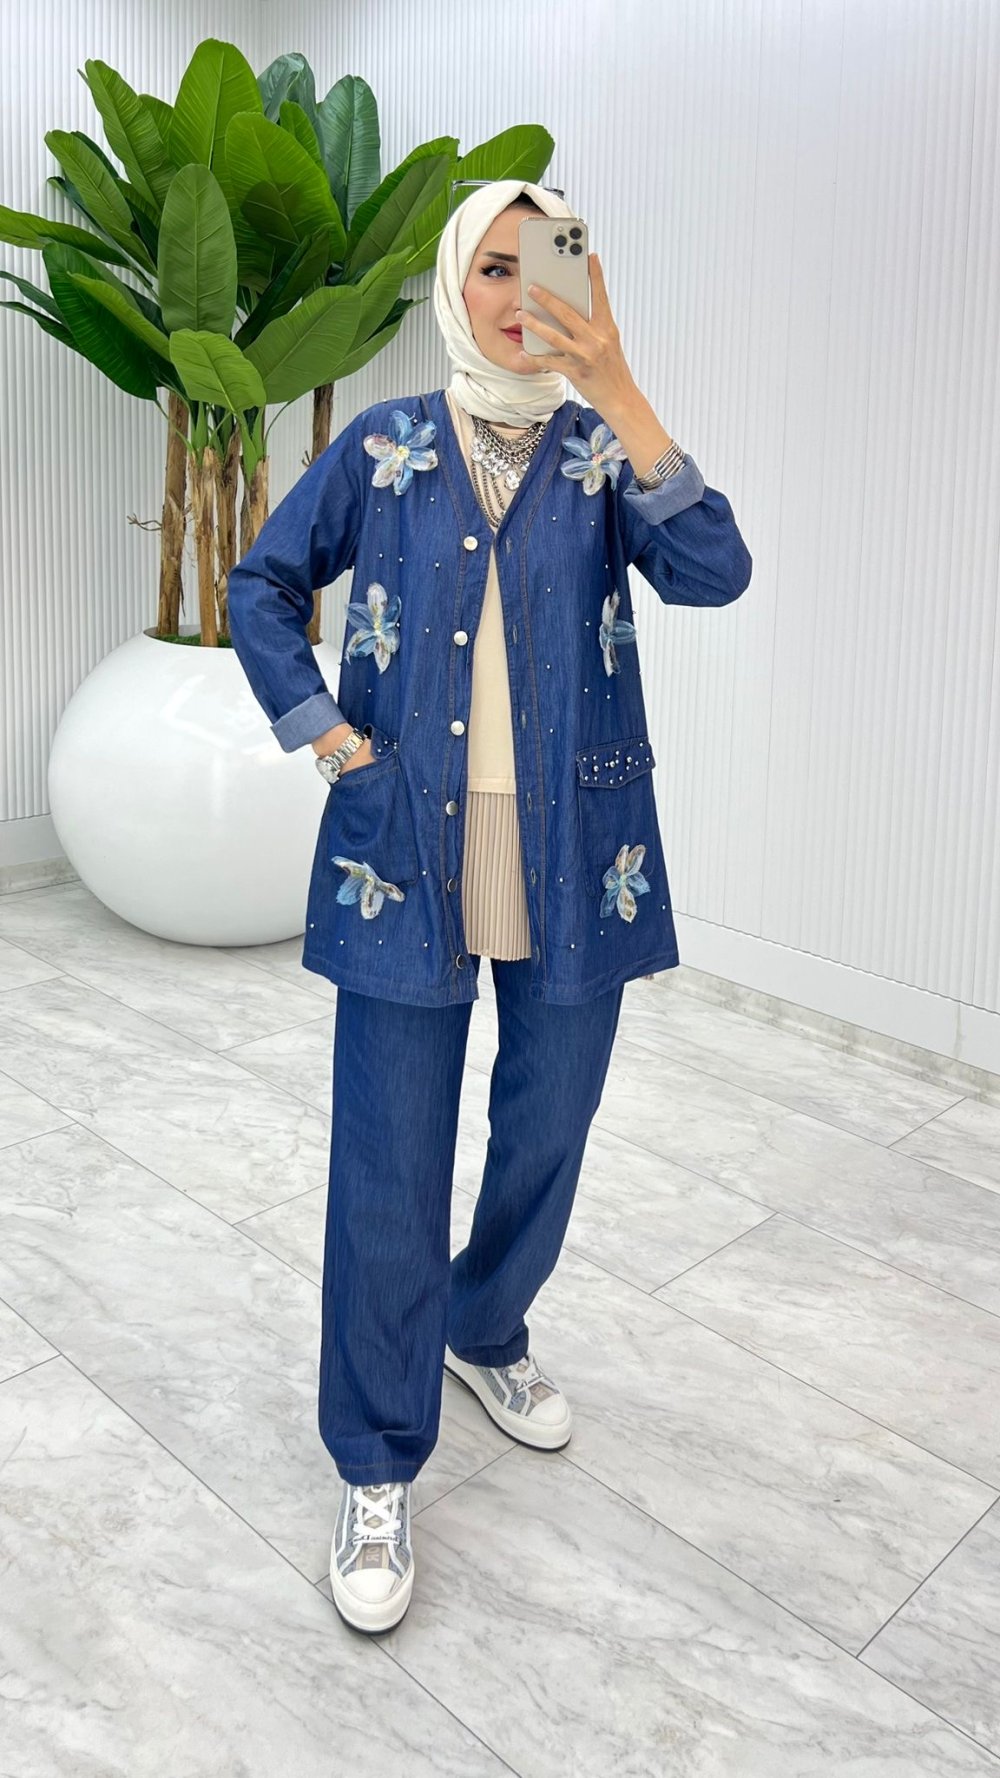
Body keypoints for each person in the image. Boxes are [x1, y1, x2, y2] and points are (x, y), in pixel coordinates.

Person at [226, 178, 752, 1635]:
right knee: (387, 1151)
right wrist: (328, 733)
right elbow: (262, 585)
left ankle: (485, 1319)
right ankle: (375, 1459)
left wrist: (621, 385)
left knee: (549, 1119)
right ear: (457, 285)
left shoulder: (600, 454)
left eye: (550, 267)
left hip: (579, 849)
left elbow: (717, 572)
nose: (523, 297)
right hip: (406, 842)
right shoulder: (385, 446)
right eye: (495, 269)